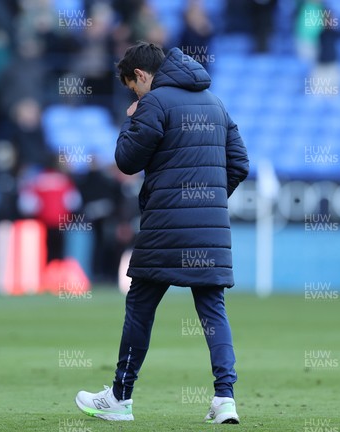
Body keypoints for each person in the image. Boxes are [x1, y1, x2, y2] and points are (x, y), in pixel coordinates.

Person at [75, 42, 249, 424]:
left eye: (132, 88)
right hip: (209, 231)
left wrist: (132, 117)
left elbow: (125, 161)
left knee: (140, 307)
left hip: (164, 229)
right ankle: (225, 399)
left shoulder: (154, 103)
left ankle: (120, 397)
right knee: (212, 311)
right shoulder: (215, 102)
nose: (134, 96)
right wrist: (209, 202)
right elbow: (239, 164)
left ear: (140, 75)